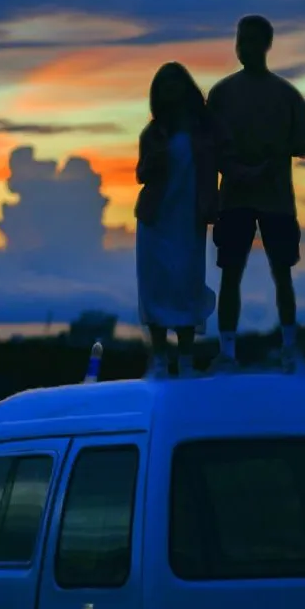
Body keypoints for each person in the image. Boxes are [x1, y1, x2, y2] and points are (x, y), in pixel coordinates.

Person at [207, 15, 305, 371]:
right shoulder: (221, 94)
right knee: (230, 272)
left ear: (266, 44)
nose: (245, 47)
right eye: (241, 39)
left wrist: (264, 162)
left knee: (282, 271)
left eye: (252, 40)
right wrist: (242, 170)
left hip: (277, 198)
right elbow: (212, 148)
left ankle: (289, 346)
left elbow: (300, 142)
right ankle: (227, 351)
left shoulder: (286, 95)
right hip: (235, 198)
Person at [135, 62, 218, 378]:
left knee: (187, 285)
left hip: (189, 219)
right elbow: (141, 173)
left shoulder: (202, 131)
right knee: (155, 287)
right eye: (164, 85)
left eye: (175, 83)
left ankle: (184, 359)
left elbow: (218, 160)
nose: (171, 90)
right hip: (156, 221)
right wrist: (157, 155)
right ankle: (159, 359)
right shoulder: (154, 132)